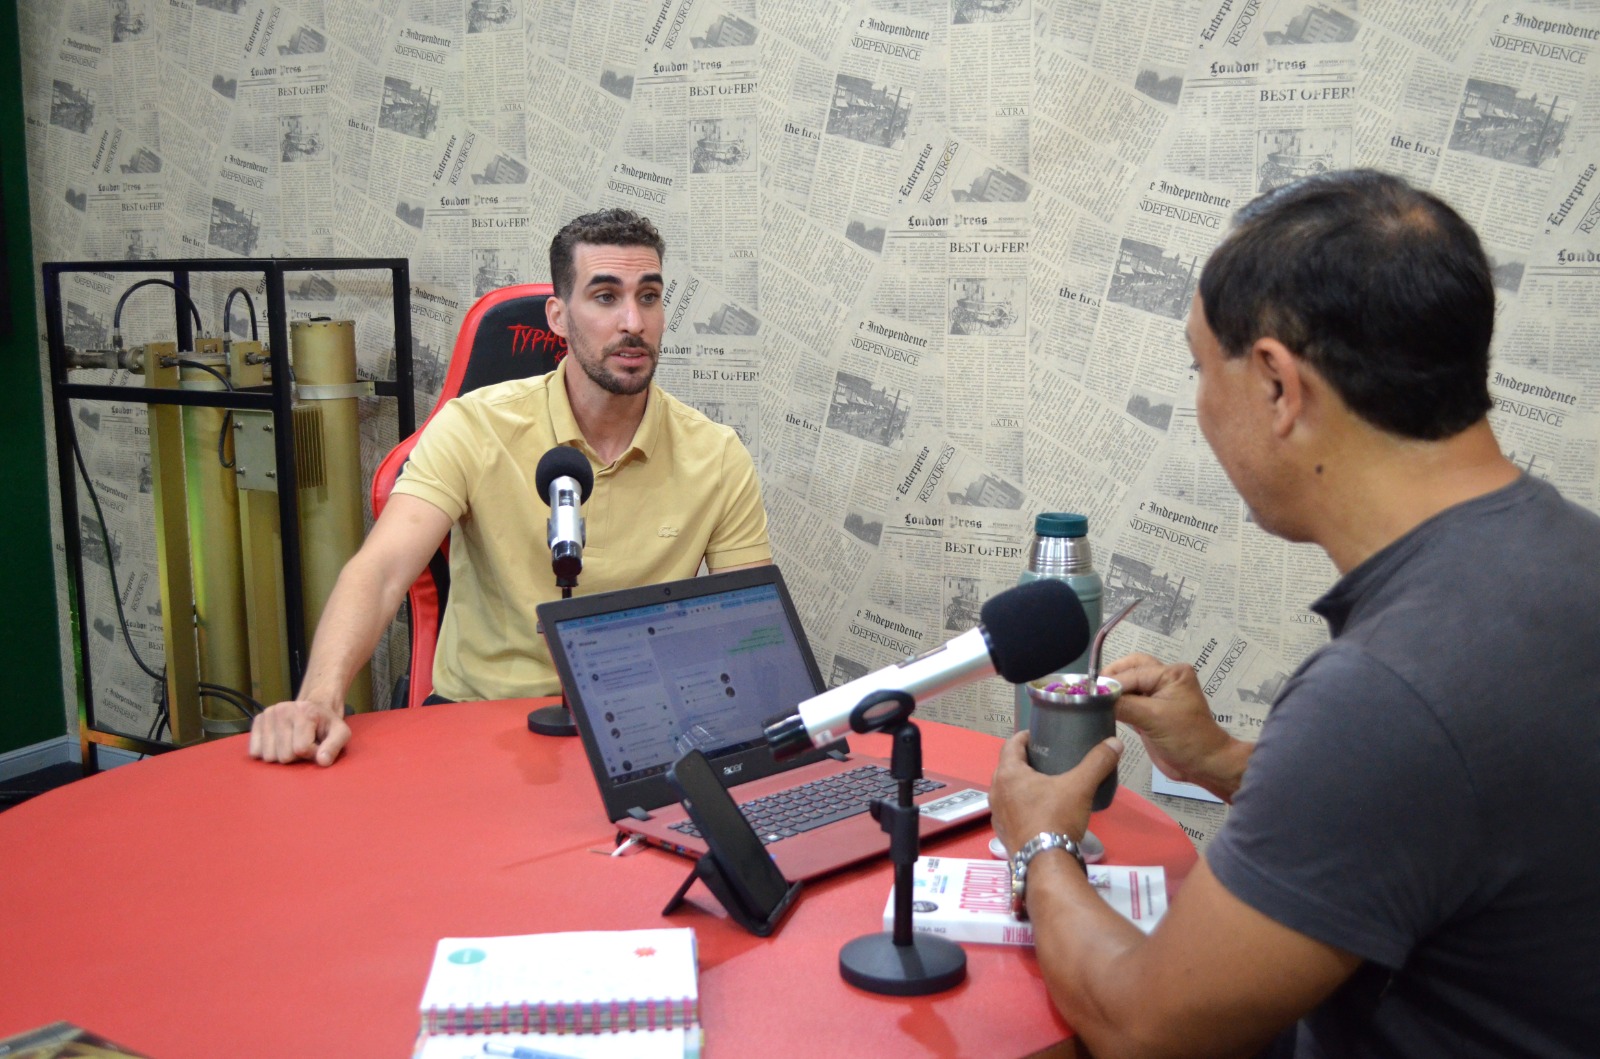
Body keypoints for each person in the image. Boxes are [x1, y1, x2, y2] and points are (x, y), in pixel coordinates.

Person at [989, 170, 1600, 1057]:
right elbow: (1445, 821)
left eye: (1203, 369)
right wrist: (1228, 762)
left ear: (1278, 385)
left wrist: (1038, 839)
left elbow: (1141, 1024)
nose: (1200, 403)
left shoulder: (1387, 691)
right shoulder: (1562, 554)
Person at [249, 209, 771, 766]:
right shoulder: (475, 425)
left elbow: (748, 625)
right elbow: (379, 572)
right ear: (558, 316)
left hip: (640, 729)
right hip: (479, 722)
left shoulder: (716, 454)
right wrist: (319, 700)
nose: (633, 322)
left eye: (648, 297)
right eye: (603, 297)